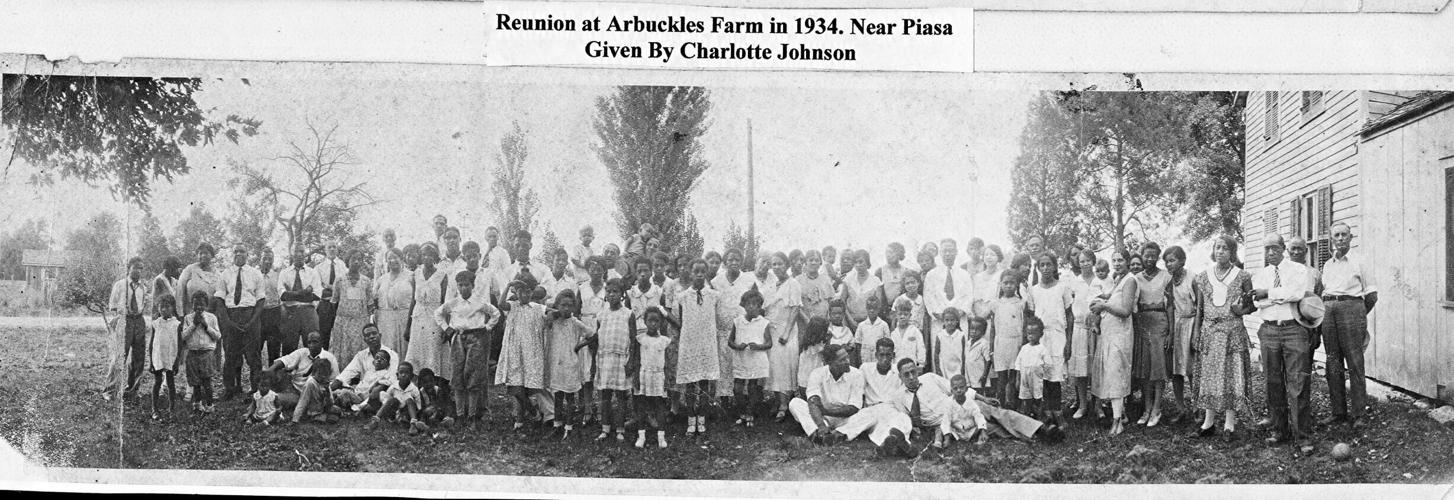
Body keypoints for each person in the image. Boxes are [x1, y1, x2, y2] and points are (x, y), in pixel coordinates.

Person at [897, 358, 1062, 448]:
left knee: (998, 414)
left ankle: (1042, 429)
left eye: (913, 372)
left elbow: (955, 388)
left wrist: (983, 398)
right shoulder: (900, 397)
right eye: (907, 374)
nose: (911, 377)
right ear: (900, 377)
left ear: (917, 371)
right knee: (995, 429)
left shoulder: (930, 378)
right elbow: (905, 421)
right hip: (950, 425)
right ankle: (1037, 435)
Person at [788, 343, 916, 457]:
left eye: (847, 357)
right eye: (842, 360)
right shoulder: (817, 373)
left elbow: (853, 408)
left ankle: (838, 435)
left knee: (869, 413)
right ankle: (817, 435)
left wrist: (826, 410)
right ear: (829, 363)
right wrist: (821, 425)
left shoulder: (856, 374)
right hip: (822, 418)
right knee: (795, 403)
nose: (848, 361)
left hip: (846, 419)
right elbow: (812, 401)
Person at [1187, 235, 1255, 442]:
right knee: (1209, 375)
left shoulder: (1242, 276)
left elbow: (1250, 306)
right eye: (1217, 248)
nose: (1220, 252)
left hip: (1232, 330)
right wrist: (1196, 331)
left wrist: (1241, 309)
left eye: (1225, 248)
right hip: (1210, 331)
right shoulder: (1203, 277)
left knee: (1231, 375)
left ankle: (1229, 424)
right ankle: (1208, 423)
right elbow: (1200, 307)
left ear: (1232, 252)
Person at [1252, 234, 1314, 445]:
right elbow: (1258, 303)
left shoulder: (1298, 270)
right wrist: (1276, 296)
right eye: (1266, 249)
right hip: (1269, 330)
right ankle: (1280, 430)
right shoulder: (1260, 274)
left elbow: (1296, 293)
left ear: (1283, 248)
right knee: (1273, 382)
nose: (1270, 253)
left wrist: (1267, 293)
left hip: (1294, 329)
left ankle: (1302, 436)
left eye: (1274, 248)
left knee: (1298, 383)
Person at [1319, 222, 1377, 428]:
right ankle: (1338, 412)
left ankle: (1359, 413)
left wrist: (1358, 315)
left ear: (1351, 238)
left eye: (1345, 235)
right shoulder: (1327, 265)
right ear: (1331, 239)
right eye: (1337, 235)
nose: (1341, 238)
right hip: (1328, 311)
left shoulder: (1360, 260)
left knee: (1354, 362)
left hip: (1352, 309)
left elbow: (1371, 296)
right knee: (1333, 362)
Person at [1091, 249, 1137, 436]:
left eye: (1120, 260)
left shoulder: (1130, 280)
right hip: (1109, 333)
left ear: (1127, 262)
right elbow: (1111, 297)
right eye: (1114, 260)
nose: (1117, 263)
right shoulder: (1118, 280)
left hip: (1121, 334)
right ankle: (1120, 414)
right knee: (1110, 373)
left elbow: (1125, 309)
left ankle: (1118, 421)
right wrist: (1101, 299)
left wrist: (1104, 305)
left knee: (1116, 373)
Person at [672, 259, 721, 437]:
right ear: (690, 273)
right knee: (691, 383)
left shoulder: (714, 295)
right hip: (690, 342)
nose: (699, 274)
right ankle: (691, 420)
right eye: (696, 271)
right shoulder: (683, 296)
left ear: (707, 273)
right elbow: (679, 320)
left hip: (707, 343)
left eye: (702, 271)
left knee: (705, 382)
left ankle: (702, 418)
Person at [497, 272, 550, 429]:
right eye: (520, 291)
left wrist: (552, 318)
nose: (524, 295)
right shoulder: (512, 306)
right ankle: (531, 411)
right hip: (514, 351)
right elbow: (500, 304)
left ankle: (520, 419)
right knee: (515, 387)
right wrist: (508, 285)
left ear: (532, 292)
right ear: (516, 292)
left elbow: (554, 312)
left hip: (531, 352)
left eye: (527, 291)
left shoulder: (538, 308)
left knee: (525, 387)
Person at [1027, 252, 1073, 425]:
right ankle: (1046, 412)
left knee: (1055, 376)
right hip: (1041, 337)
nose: (1045, 268)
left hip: (1058, 336)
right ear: (1038, 268)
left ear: (1055, 266)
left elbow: (1070, 315)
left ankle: (1057, 411)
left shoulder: (1062, 287)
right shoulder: (1034, 290)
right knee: (1043, 376)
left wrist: (1068, 341)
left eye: (1049, 264)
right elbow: (1032, 316)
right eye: (1042, 265)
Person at [585, 277, 634, 441]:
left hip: (621, 359)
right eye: (609, 291)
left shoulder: (628, 314)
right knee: (604, 395)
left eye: (615, 292)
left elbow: (633, 340)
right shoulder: (601, 315)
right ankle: (605, 428)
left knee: (620, 396)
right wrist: (594, 364)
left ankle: (620, 429)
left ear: (622, 294)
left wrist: (631, 361)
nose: (612, 295)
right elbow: (597, 339)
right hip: (604, 358)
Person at [761, 252, 808, 420]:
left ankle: (784, 403)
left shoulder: (793, 284)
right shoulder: (771, 285)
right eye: (774, 264)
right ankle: (776, 400)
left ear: (786, 265)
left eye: (780, 264)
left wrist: (787, 333)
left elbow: (795, 309)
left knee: (785, 366)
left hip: (786, 331)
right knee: (773, 366)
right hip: (772, 330)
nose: (776, 267)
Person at [216, 245, 266, 401]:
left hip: (250, 315)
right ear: (233, 255)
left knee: (253, 356)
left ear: (247, 254)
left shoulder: (255, 273)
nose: (238, 254)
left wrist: (252, 321)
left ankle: (255, 389)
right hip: (231, 316)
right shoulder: (225, 274)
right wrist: (228, 322)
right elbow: (219, 300)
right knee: (230, 354)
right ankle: (230, 389)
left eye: (242, 251)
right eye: (235, 251)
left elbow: (261, 300)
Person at [1130, 242, 1172, 427]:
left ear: (1158, 256)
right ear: (1142, 255)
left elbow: (1170, 305)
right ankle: (1146, 408)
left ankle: (1157, 408)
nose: (1149, 259)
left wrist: (1170, 330)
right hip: (1142, 322)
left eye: (1153, 255)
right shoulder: (1135, 278)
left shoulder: (1165, 276)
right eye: (1146, 255)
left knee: (1158, 367)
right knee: (1145, 369)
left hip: (1159, 321)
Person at [710, 248, 756, 404]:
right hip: (722, 329)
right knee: (724, 365)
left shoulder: (749, 280)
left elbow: (755, 302)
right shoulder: (716, 281)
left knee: (741, 364)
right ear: (725, 262)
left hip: (742, 329)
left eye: (737, 259)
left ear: (741, 262)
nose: (734, 262)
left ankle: (740, 401)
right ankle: (724, 400)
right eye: (730, 260)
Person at [266, 331, 341, 424]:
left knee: (332, 407)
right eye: (309, 342)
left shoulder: (330, 358)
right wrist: (270, 370)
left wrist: (323, 393)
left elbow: (335, 380)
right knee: (273, 399)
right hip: (296, 392)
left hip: (317, 395)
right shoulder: (302, 352)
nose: (311, 345)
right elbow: (285, 360)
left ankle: (314, 412)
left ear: (321, 343)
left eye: (315, 342)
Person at [544, 289, 591, 438]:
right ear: (557, 305)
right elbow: (544, 317)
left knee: (569, 397)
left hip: (570, 363)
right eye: (562, 305)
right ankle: (557, 425)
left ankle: (569, 427)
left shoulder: (575, 322)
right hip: (556, 362)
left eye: (569, 306)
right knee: (557, 395)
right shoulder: (554, 321)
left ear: (574, 307)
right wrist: (552, 313)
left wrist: (579, 346)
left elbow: (592, 335)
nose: (566, 309)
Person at [105, 257, 152, 400]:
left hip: (139, 321)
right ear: (129, 268)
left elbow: (143, 305)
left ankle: (132, 390)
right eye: (135, 267)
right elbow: (112, 305)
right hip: (125, 320)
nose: (138, 271)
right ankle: (110, 390)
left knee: (138, 358)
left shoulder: (143, 288)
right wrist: (122, 310)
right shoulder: (120, 285)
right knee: (120, 356)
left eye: (141, 268)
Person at [728, 288, 772, 427]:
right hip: (741, 358)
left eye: (755, 304)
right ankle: (741, 411)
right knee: (738, 388)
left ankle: (750, 413)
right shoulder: (738, 321)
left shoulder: (763, 322)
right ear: (743, 305)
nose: (751, 307)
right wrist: (737, 346)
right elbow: (730, 341)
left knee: (753, 388)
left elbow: (769, 343)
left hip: (756, 359)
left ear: (760, 307)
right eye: (748, 304)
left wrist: (758, 346)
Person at [985, 269, 1027, 411]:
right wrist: (991, 348)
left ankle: (1013, 406)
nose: (1009, 286)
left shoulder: (1021, 303)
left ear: (1017, 285)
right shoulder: (995, 303)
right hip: (1000, 343)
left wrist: (1023, 345)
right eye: (1005, 283)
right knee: (1001, 378)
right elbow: (992, 329)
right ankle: (1001, 406)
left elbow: (1024, 326)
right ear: (1001, 284)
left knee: (1013, 377)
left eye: (1012, 283)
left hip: (1016, 343)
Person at [330, 324, 400, 410]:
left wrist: (376, 388)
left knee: (378, 390)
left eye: (374, 333)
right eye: (367, 335)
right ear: (364, 340)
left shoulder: (392, 355)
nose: (372, 337)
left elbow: (391, 379)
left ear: (380, 335)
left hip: (381, 393)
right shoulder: (361, 355)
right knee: (338, 391)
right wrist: (329, 389)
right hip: (361, 392)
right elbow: (346, 375)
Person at [405, 243, 449, 378]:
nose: (427, 258)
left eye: (430, 255)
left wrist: (445, 327)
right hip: (418, 317)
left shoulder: (442, 275)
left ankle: (434, 386)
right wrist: (408, 326)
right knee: (417, 352)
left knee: (432, 351)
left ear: (435, 257)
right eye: (424, 254)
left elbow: (444, 303)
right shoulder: (416, 274)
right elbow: (413, 300)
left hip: (434, 317)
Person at [1164, 245, 1196, 423]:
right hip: (1176, 325)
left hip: (1190, 323)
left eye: (1172, 260)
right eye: (1166, 261)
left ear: (1182, 261)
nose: (1169, 264)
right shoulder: (1169, 281)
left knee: (1191, 369)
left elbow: (1200, 307)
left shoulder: (1192, 278)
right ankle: (1180, 408)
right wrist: (1170, 331)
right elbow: (1169, 306)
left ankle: (1198, 408)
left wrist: (1196, 331)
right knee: (1176, 370)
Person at [1067, 249, 1100, 419]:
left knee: (1096, 367)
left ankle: (1098, 405)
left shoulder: (1101, 280)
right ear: (1077, 264)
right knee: (1081, 369)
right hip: (1079, 329)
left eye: (1088, 260)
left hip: (1097, 329)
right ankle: (1082, 404)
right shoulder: (1074, 282)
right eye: (1081, 261)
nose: (1085, 263)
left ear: (1093, 261)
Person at [634, 306, 673, 448]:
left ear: (661, 323)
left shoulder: (664, 340)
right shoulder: (640, 339)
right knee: (642, 405)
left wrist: (667, 378)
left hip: (658, 376)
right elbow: (637, 360)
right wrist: (636, 378)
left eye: (656, 321)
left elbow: (667, 361)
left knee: (659, 405)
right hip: (644, 374)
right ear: (644, 321)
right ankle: (641, 436)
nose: (653, 324)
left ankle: (661, 436)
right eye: (650, 320)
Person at [329, 252, 374, 370]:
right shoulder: (339, 280)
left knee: (359, 349)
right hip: (343, 322)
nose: (356, 262)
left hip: (360, 322)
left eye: (359, 259)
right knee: (343, 350)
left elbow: (370, 304)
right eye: (353, 259)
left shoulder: (366, 281)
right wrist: (338, 320)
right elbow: (334, 302)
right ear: (347, 261)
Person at [279, 245, 323, 360]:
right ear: (291, 254)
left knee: (313, 347)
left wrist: (292, 293)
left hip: (308, 313)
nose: (299, 254)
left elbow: (316, 296)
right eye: (296, 251)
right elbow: (283, 296)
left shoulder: (313, 273)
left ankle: (311, 376)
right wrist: (305, 292)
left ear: (305, 254)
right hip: (290, 313)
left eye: (301, 251)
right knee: (288, 347)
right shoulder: (284, 273)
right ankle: (287, 376)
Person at [181, 291, 222, 413]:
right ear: (191, 304)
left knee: (207, 380)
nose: (199, 307)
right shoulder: (188, 318)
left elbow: (218, 336)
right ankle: (197, 403)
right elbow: (183, 336)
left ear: (206, 305)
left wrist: (205, 326)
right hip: (193, 353)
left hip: (207, 353)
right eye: (196, 304)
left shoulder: (211, 318)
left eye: (202, 304)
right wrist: (193, 325)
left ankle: (209, 405)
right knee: (195, 381)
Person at [925, 239, 974, 337]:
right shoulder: (931, 275)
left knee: (959, 348)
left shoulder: (965, 274)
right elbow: (928, 297)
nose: (947, 254)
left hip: (959, 319)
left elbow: (969, 296)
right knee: (939, 349)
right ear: (940, 252)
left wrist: (959, 313)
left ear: (956, 252)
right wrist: (940, 315)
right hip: (939, 321)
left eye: (951, 250)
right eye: (944, 251)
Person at [147, 294, 184, 419]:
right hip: (158, 356)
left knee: (171, 382)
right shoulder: (156, 323)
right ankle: (154, 409)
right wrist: (151, 362)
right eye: (161, 307)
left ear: (173, 308)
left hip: (170, 357)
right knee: (157, 382)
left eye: (167, 307)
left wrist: (177, 360)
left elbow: (180, 344)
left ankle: (171, 409)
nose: (163, 310)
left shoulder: (177, 324)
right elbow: (151, 343)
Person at [369, 361, 429, 434]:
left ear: (411, 376)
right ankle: (376, 420)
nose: (403, 375)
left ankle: (413, 425)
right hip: (394, 413)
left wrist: (415, 413)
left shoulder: (414, 389)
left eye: (407, 373)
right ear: (397, 375)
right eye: (401, 372)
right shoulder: (393, 387)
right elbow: (387, 400)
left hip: (407, 414)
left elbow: (419, 406)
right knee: (393, 400)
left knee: (409, 400)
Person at [374, 249, 413, 357]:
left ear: (401, 259)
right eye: (389, 258)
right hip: (385, 320)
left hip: (404, 318)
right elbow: (375, 300)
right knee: (387, 350)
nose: (392, 260)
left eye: (395, 257)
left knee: (405, 349)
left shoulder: (411, 276)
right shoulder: (382, 279)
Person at [332, 349, 395, 416]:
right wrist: (354, 387)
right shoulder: (369, 372)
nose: (379, 360)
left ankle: (338, 411)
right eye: (377, 358)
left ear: (388, 364)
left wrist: (378, 383)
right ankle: (327, 406)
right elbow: (362, 383)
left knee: (345, 393)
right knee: (337, 392)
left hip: (363, 398)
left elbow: (387, 383)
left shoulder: (385, 374)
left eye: (382, 359)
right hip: (356, 392)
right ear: (373, 361)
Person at [1015, 316, 1052, 418]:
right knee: (1026, 398)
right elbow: (1018, 364)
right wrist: (1018, 379)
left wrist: (1044, 377)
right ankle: (1028, 415)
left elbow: (1048, 365)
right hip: (1024, 378)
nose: (1030, 335)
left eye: (1034, 333)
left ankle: (1039, 417)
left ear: (1041, 334)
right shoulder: (1024, 348)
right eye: (1028, 333)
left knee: (1038, 398)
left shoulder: (1042, 349)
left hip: (1036, 378)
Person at [315, 242, 349, 348]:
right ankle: (322, 357)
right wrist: (334, 288)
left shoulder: (343, 266)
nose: (332, 249)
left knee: (340, 333)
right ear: (325, 250)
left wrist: (330, 287)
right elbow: (318, 287)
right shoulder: (319, 267)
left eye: (334, 247)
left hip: (340, 304)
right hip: (325, 304)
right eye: (329, 247)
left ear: (337, 249)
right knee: (324, 332)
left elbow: (345, 285)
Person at [839, 249, 885, 325]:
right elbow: (842, 302)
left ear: (867, 262)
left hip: (869, 322)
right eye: (855, 262)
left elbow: (878, 305)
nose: (858, 265)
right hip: (850, 321)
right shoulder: (848, 280)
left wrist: (866, 322)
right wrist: (851, 321)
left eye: (860, 262)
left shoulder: (876, 281)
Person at [257, 249, 286, 365]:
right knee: (256, 347)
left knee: (274, 349)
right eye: (265, 259)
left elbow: (282, 294)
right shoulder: (254, 275)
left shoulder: (277, 275)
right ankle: (257, 377)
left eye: (270, 259)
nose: (267, 262)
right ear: (260, 259)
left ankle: (273, 378)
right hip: (258, 314)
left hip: (274, 313)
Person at [796, 317, 831, 399]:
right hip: (810, 369)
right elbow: (826, 351)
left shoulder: (809, 341)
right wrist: (829, 339)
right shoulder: (814, 344)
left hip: (809, 370)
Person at [888, 297, 927, 367]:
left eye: (905, 314)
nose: (902, 317)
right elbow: (891, 352)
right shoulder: (893, 334)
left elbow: (921, 349)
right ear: (896, 315)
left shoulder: (915, 331)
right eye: (900, 314)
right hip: (897, 366)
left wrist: (921, 364)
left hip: (911, 366)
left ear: (910, 315)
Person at [932, 306, 967, 380]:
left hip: (957, 367)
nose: (949, 322)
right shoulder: (940, 335)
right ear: (943, 321)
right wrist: (938, 369)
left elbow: (964, 354)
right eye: (947, 320)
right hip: (944, 368)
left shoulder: (961, 335)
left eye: (952, 320)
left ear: (957, 321)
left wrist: (963, 369)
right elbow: (936, 354)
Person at [799, 250, 835, 320]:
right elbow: (797, 306)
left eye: (816, 260)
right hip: (806, 322)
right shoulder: (798, 280)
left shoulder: (826, 280)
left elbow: (831, 301)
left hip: (824, 322)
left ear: (820, 263)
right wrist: (807, 321)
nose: (813, 263)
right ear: (806, 262)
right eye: (811, 260)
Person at [855, 295, 891, 366]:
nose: (872, 310)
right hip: (865, 356)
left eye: (874, 308)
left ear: (879, 309)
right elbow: (858, 343)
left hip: (878, 356)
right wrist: (859, 360)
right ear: (866, 309)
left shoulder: (883, 325)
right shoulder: (861, 325)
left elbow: (887, 343)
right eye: (869, 308)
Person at [970, 244, 1005, 317]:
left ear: (998, 257)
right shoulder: (976, 277)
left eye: (992, 255)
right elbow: (973, 298)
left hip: (996, 315)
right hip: (978, 317)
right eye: (986, 255)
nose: (989, 257)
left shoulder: (1002, 275)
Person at [964, 318, 992, 391]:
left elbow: (988, 361)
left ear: (983, 332)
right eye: (972, 329)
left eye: (977, 330)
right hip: (969, 376)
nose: (974, 332)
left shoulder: (984, 343)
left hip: (979, 376)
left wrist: (984, 376)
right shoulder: (968, 343)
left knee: (980, 395)